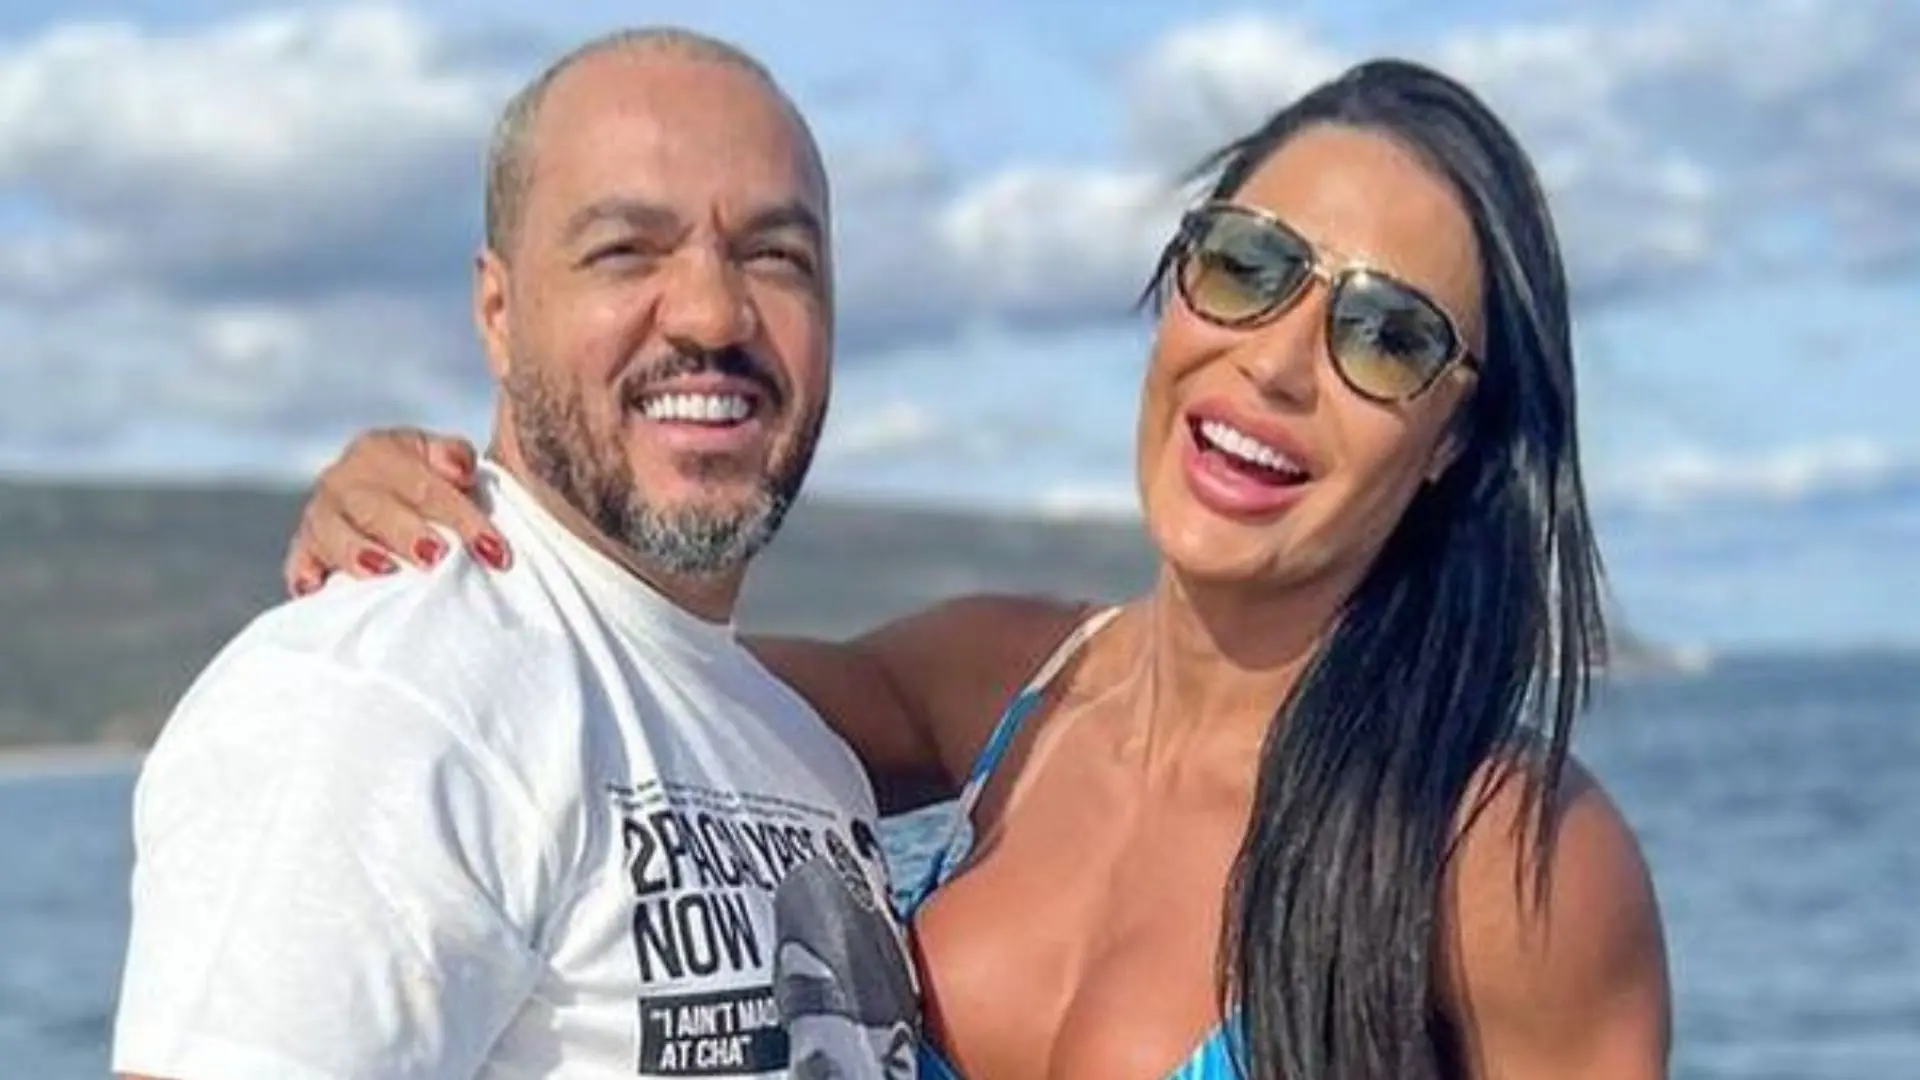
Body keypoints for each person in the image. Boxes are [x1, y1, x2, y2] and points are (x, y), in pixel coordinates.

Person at [284, 59, 1672, 1080]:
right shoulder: (1001, 683)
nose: (1277, 364)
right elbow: (625, 682)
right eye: (1249, 266)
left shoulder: (1508, 861)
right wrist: (452, 515)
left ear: (1451, 441)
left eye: (1386, 336)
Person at [112, 27, 906, 1080]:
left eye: (776, 256)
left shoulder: (793, 743)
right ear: (498, 312)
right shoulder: (384, 697)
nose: (714, 314)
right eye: (627, 250)